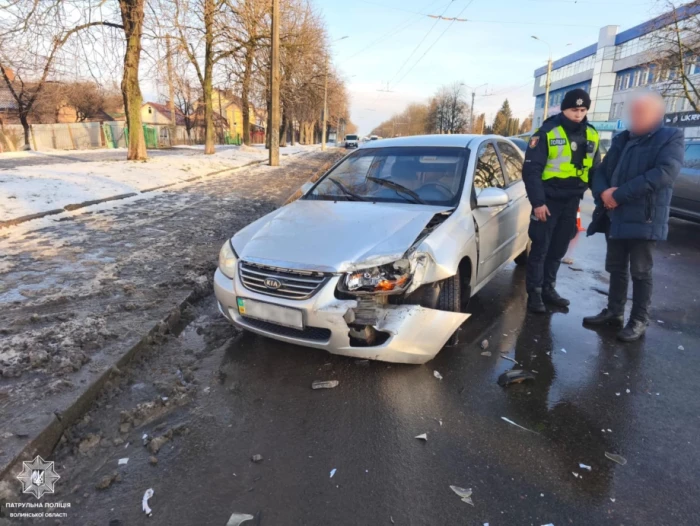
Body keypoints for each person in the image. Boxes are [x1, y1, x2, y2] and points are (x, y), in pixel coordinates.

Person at [583, 90, 684, 342]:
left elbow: (663, 174)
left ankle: (639, 319)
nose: (635, 117)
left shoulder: (670, 137)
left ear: (657, 114)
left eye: (642, 112)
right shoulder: (622, 139)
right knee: (615, 267)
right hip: (615, 215)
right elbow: (601, 171)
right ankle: (614, 312)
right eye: (633, 112)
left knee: (640, 271)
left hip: (644, 218)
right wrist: (603, 193)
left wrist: (619, 195)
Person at [523, 88, 601, 313]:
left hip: (572, 200)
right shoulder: (547, 131)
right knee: (541, 247)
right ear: (564, 109)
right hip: (548, 200)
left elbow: (595, 170)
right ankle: (535, 294)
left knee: (559, 247)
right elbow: (531, 170)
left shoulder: (592, 134)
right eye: (574, 110)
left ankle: (549, 288)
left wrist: (601, 198)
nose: (578, 114)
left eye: (582, 110)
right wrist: (538, 203)